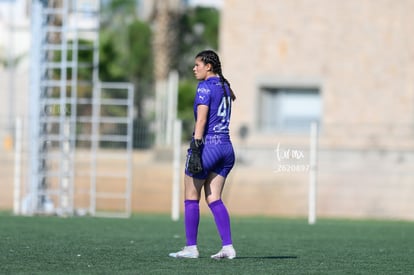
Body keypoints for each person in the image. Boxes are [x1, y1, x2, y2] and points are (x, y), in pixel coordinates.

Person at [169, 50, 237, 260]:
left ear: (209, 66)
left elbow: (201, 120)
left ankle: (191, 248)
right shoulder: (225, 86)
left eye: (197, 64)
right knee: (214, 198)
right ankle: (228, 247)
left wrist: (196, 146)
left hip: (208, 146)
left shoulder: (204, 87)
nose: (194, 68)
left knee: (191, 197)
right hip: (226, 148)